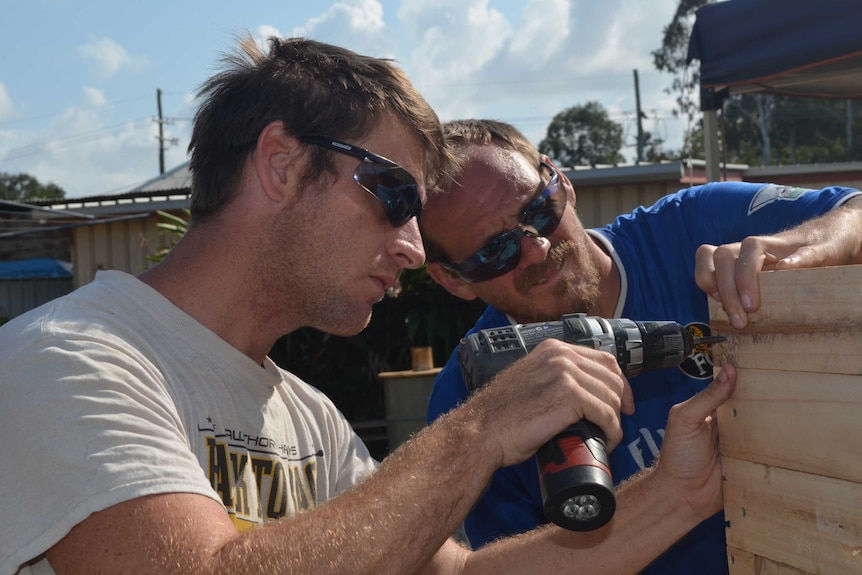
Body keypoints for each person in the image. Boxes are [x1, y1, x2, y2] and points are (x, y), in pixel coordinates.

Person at [0, 36, 737, 575]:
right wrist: (481, 428)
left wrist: (679, 494)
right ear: (282, 165)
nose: (415, 249)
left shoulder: (308, 417)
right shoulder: (70, 358)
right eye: (393, 199)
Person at [421, 119, 862, 574]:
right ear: (453, 280)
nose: (536, 250)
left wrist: (797, 248)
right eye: (495, 252)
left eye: (538, 212)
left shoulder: (693, 226)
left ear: (562, 182)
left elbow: (856, 211)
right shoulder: (469, 400)